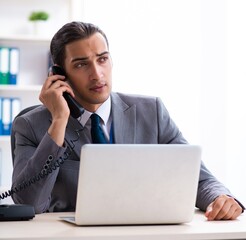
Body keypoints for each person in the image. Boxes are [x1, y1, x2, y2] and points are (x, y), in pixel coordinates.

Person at [11, 21, 244, 220]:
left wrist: (220, 198)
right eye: (81, 64)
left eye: (102, 59)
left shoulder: (151, 112)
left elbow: (198, 178)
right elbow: (31, 202)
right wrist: (60, 120)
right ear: (59, 74)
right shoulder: (31, 126)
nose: (97, 74)